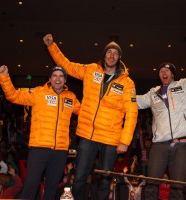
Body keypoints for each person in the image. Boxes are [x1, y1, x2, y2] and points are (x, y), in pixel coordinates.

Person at [43, 34, 138, 200]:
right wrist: (52, 46)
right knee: (79, 176)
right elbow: (66, 65)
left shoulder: (127, 83)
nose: (112, 56)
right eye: (109, 52)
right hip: (88, 134)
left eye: (116, 53)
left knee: (105, 179)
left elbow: (132, 112)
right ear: (104, 54)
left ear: (119, 58)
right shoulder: (90, 70)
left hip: (111, 138)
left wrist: (125, 140)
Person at [136, 32, 186, 200]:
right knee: (151, 184)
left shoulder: (183, 86)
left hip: (181, 145)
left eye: (167, 70)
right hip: (159, 145)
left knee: (178, 187)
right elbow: (133, 101)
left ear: (172, 74)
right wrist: (117, 96)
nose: (164, 73)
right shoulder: (152, 93)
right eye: (161, 71)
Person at [0, 64, 81, 200]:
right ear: (50, 78)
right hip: (39, 148)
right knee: (31, 185)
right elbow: (13, 96)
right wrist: (4, 77)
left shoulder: (71, 98)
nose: (58, 79)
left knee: (52, 187)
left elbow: (85, 113)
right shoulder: (39, 93)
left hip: (60, 150)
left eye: (61, 76)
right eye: (55, 75)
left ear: (65, 80)